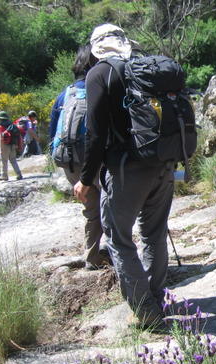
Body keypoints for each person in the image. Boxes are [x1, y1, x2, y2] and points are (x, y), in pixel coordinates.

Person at [73, 23, 174, 331]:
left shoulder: (98, 74)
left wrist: (87, 178)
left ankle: (145, 312)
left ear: (95, 49)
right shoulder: (146, 68)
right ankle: (155, 298)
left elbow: (96, 134)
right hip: (163, 164)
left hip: (125, 170)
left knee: (118, 239)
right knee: (154, 233)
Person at [50, 44, 110, 271]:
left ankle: (92, 256)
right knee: (110, 206)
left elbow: (52, 131)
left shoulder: (64, 95)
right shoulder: (100, 90)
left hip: (71, 162)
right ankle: (118, 254)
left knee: (91, 210)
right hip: (98, 161)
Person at [0, 111, 23, 181]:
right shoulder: (13, 125)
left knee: (4, 161)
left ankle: (4, 176)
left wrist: (1, 149)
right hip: (13, 145)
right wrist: (19, 145)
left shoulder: (0, 127)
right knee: (13, 160)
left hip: (5, 145)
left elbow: (1, 138)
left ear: (0, 119)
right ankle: (19, 174)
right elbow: (18, 136)